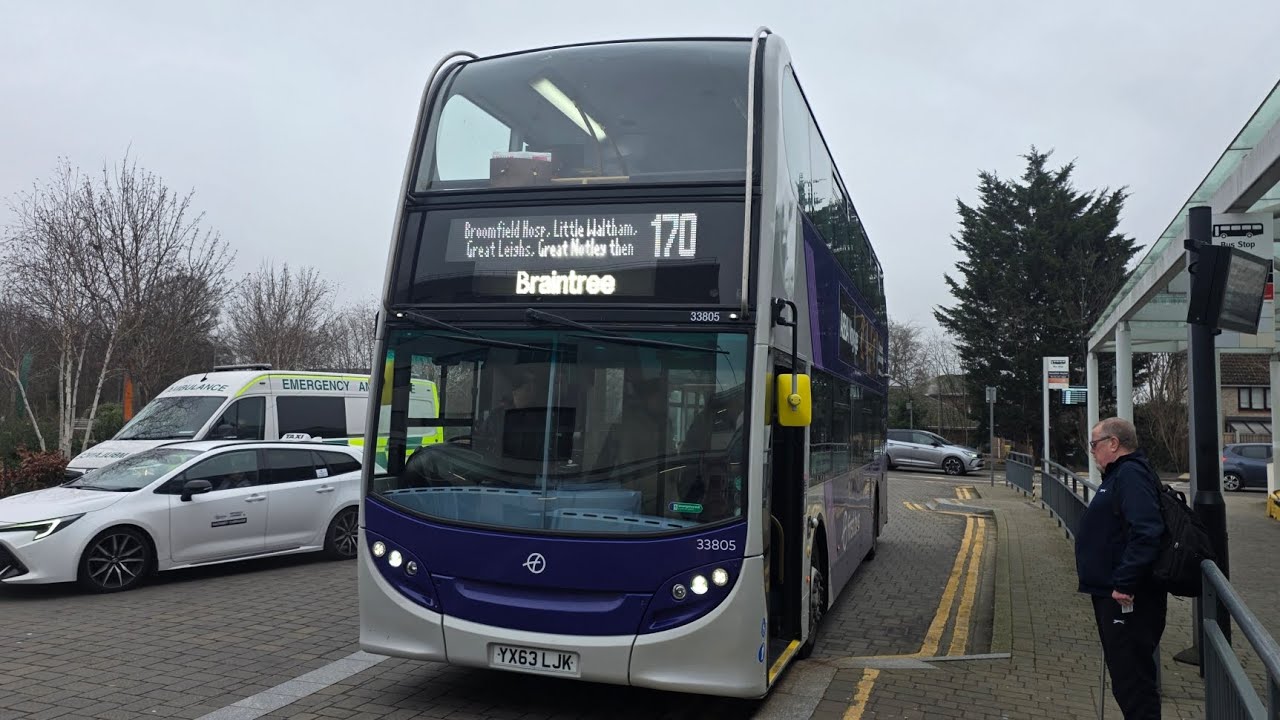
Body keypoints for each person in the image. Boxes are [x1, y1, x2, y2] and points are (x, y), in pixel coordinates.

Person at [1075, 417, 1167, 719]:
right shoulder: (1121, 475)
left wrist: (1125, 583)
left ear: (1113, 443)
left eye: (1094, 444)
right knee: (1127, 682)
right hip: (1114, 595)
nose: (1092, 451)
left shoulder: (1130, 475)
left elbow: (1147, 531)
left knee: (1134, 686)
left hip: (1127, 600)